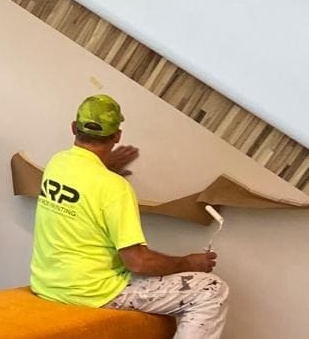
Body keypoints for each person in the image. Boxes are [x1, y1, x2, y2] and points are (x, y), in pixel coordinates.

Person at [31, 95, 229, 338]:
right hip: (91, 292)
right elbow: (137, 262)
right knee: (212, 290)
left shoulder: (58, 163)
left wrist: (104, 167)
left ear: (74, 127)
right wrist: (189, 263)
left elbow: (86, 186)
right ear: (117, 136)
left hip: (48, 284)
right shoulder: (114, 188)